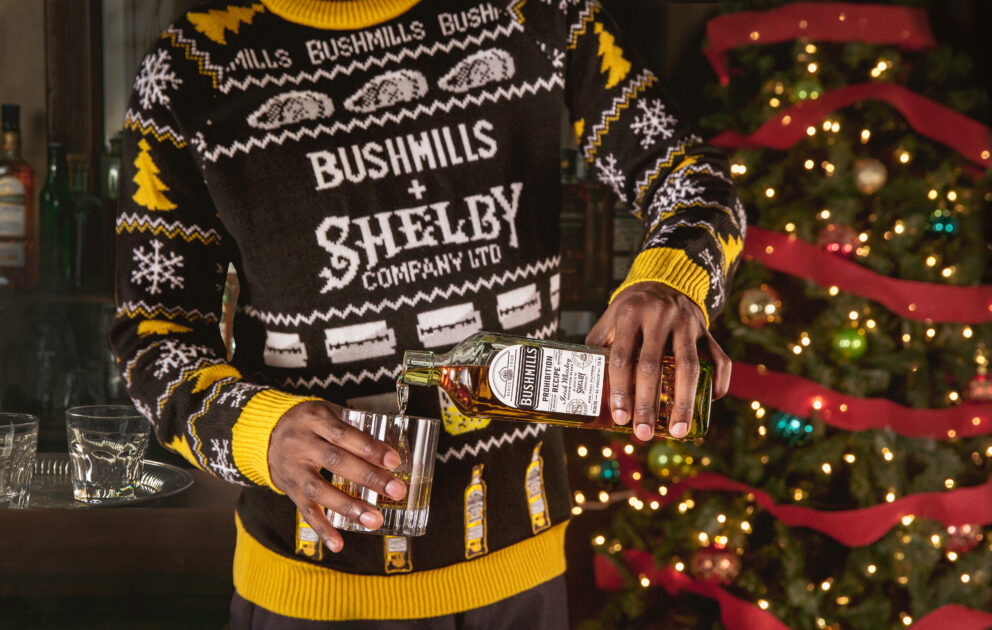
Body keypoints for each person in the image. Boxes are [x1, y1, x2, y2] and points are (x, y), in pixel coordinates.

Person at [110, 0, 744, 627]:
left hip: (520, 583)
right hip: (310, 590)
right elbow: (153, 336)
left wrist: (671, 277)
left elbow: (694, 178)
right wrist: (261, 434)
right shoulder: (193, 65)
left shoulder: (536, 11)